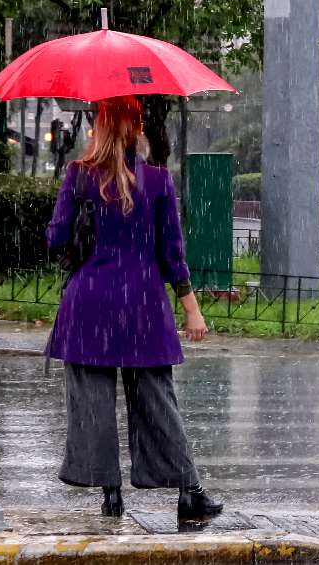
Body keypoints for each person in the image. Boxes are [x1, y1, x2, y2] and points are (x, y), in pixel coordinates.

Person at [46, 95, 223, 520]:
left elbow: (55, 239)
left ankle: (110, 492)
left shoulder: (78, 176)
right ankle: (187, 492)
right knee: (157, 401)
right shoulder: (159, 181)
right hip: (142, 305)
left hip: (88, 304)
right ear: (136, 129)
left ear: (100, 127)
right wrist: (192, 309)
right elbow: (172, 254)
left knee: (92, 402)